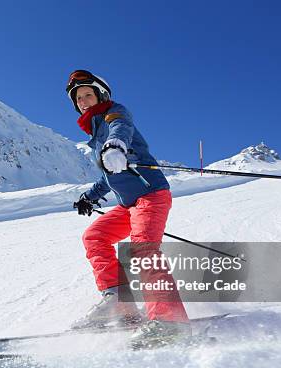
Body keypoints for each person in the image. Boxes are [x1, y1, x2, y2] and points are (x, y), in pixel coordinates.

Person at [66, 69, 190, 349]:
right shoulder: (97, 134)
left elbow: (121, 126)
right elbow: (110, 176)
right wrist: (90, 196)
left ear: (101, 95)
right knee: (94, 237)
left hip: (152, 195)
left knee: (143, 249)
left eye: (88, 94)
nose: (84, 101)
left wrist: (115, 145)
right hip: (129, 205)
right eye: (79, 99)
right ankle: (119, 305)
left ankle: (170, 323)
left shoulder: (113, 114)